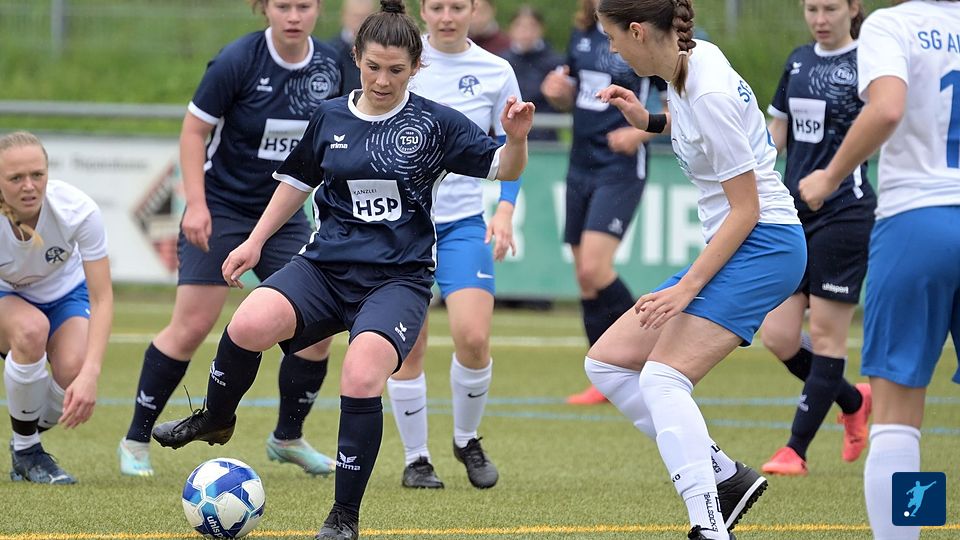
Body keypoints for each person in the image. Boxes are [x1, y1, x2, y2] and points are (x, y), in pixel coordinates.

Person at [151, 0, 534, 537]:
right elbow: (297, 181)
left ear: (416, 67)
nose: (382, 80)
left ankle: (344, 516)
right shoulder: (330, 115)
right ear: (357, 58)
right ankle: (217, 417)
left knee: (359, 374)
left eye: (396, 70)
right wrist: (255, 242)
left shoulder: (435, 123)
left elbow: (503, 168)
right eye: (373, 66)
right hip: (325, 268)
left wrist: (515, 138)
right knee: (248, 323)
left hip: (396, 278)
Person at [588, 0, 808, 537]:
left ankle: (708, 523)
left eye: (613, 37)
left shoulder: (706, 89)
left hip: (764, 243)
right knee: (607, 363)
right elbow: (702, 133)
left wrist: (687, 288)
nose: (612, 50)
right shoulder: (687, 63)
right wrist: (648, 121)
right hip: (746, 242)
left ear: (638, 31)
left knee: (663, 379)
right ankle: (725, 477)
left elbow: (747, 209)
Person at [118, 0, 344, 478]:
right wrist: (197, 205)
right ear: (264, 8)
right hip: (222, 208)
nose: (294, 15)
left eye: (304, 5)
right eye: (283, 5)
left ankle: (288, 438)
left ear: (319, 9)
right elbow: (193, 132)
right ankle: (136, 439)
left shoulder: (331, 64)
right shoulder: (238, 61)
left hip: (284, 215)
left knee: (317, 332)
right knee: (192, 325)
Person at [798, 1, 960, 538]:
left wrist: (829, 177)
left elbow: (887, 109)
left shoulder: (894, 24)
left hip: (917, 220)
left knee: (898, 420)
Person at [385, 0, 523, 491]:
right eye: (437, 5)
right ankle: (416, 459)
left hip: (463, 224)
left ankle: (466, 440)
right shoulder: (400, 62)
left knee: (474, 338)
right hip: (403, 228)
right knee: (409, 346)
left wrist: (505, 209)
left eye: (457, 6)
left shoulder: (496, 70)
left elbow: (513, 145)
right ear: (422, 10)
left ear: (475, 9)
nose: (447, 15)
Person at [758, 0, 874, 477]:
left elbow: (883, 125)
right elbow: (776, 134)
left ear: (853, 9)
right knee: (777, 335)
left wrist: (831, 178)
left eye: (830, 8)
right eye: (812, 9)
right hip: (794, 215)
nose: (820, 19)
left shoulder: (869, 62)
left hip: (845, 213)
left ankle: (795, 449)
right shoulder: (798, 61)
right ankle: (853, 400)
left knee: (827, 336)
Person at [540, 0, 666, 405]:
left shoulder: (643, 34)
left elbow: (676, 107)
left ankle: (656, 350)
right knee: (584, 276)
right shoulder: (582, 33)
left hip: (620, 167)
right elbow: (574, 97)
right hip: (580, 164)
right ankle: (608, 376)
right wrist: (558, 94)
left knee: (595, 267)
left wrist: (639, 132)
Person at [0, 131, 113, 484]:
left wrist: (91, 373)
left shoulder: (77, 210)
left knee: (73, 368)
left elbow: (102, 297)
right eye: (15, 178)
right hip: (7, 297)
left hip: (66, 293)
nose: (29, 186)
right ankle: (27, 452)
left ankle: (24, 437)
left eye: (37, 175)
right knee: (31, 330)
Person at [500, 5, 565, 141]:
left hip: (545, 139)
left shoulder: (555, 63)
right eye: (520, 27)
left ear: (542, 29)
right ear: (510, 29)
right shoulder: (501, 63)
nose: (526, 33)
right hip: (509, 138)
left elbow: (563, 105)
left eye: (532, 27)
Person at [328, 0, 376, 94]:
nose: (360, 23)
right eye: (356, 16)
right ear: (344, 16)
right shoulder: (329, 52)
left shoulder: (382, 51)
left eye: (365, 17)